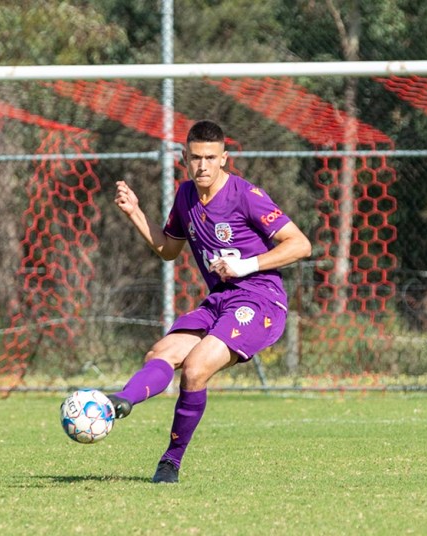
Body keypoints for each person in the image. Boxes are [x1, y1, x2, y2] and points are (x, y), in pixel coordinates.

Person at [104, 120, 311, 483]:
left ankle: (170, 461)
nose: (203, 165)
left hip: (261, 300)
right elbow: (168, 249)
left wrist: (245, 264)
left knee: (197, 367)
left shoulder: (246, 195)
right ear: (185, 158)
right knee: (160, 353)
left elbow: (300, 244)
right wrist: (135, 212)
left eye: (210, 157)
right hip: (220, 299)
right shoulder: (185, 195)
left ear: (224, 159)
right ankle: (118, 403)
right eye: (196, 157)